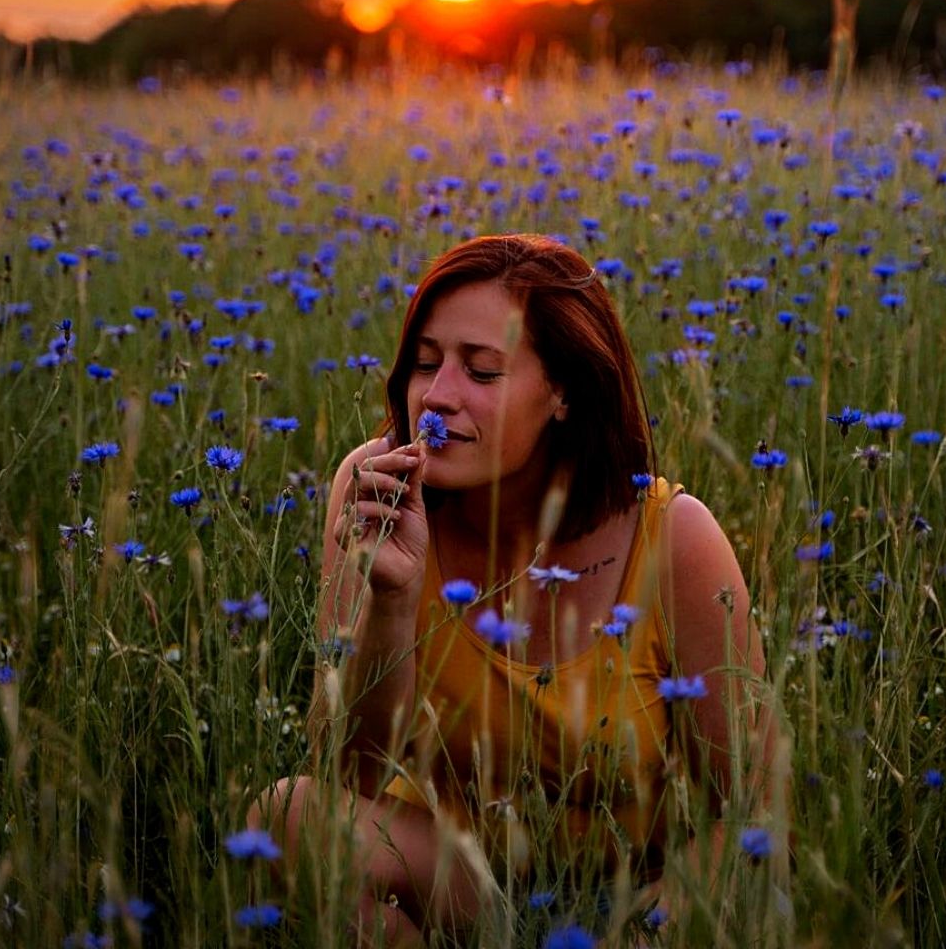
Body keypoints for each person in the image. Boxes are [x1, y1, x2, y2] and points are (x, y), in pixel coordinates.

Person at [253, 233, 775, 944]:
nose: (436, 399)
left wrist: (654, 924)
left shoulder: (674, 539)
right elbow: (349, 771)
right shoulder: (374, 494)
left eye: (483, 371)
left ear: (563, 392)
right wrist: (393, 599)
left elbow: (756, 811)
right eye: (426, 364)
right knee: (284, 814)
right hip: (454, 879)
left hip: (628, 904)